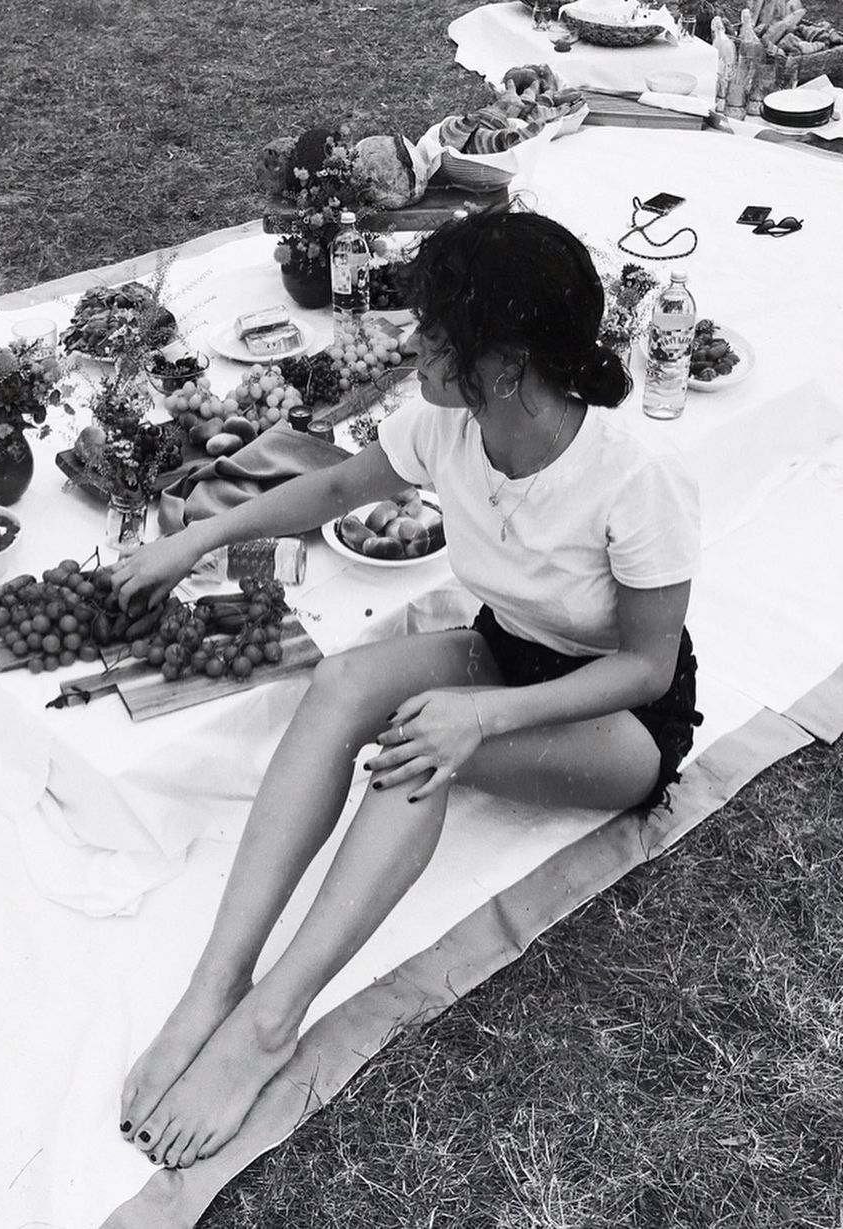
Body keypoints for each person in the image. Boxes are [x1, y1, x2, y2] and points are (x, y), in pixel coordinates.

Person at [109, 210, 702, 1172]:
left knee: (416, 749)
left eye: (434, 332)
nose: (409, 341)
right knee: (345, 679)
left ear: (505, 364)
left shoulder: (638, 476)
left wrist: (482, 715)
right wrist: (194, 538)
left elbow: (647, 666)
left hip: (619, 715)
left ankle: (271, 1021)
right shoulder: (446, 423)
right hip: (508, 648)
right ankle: (217, 982)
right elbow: (332, 491)